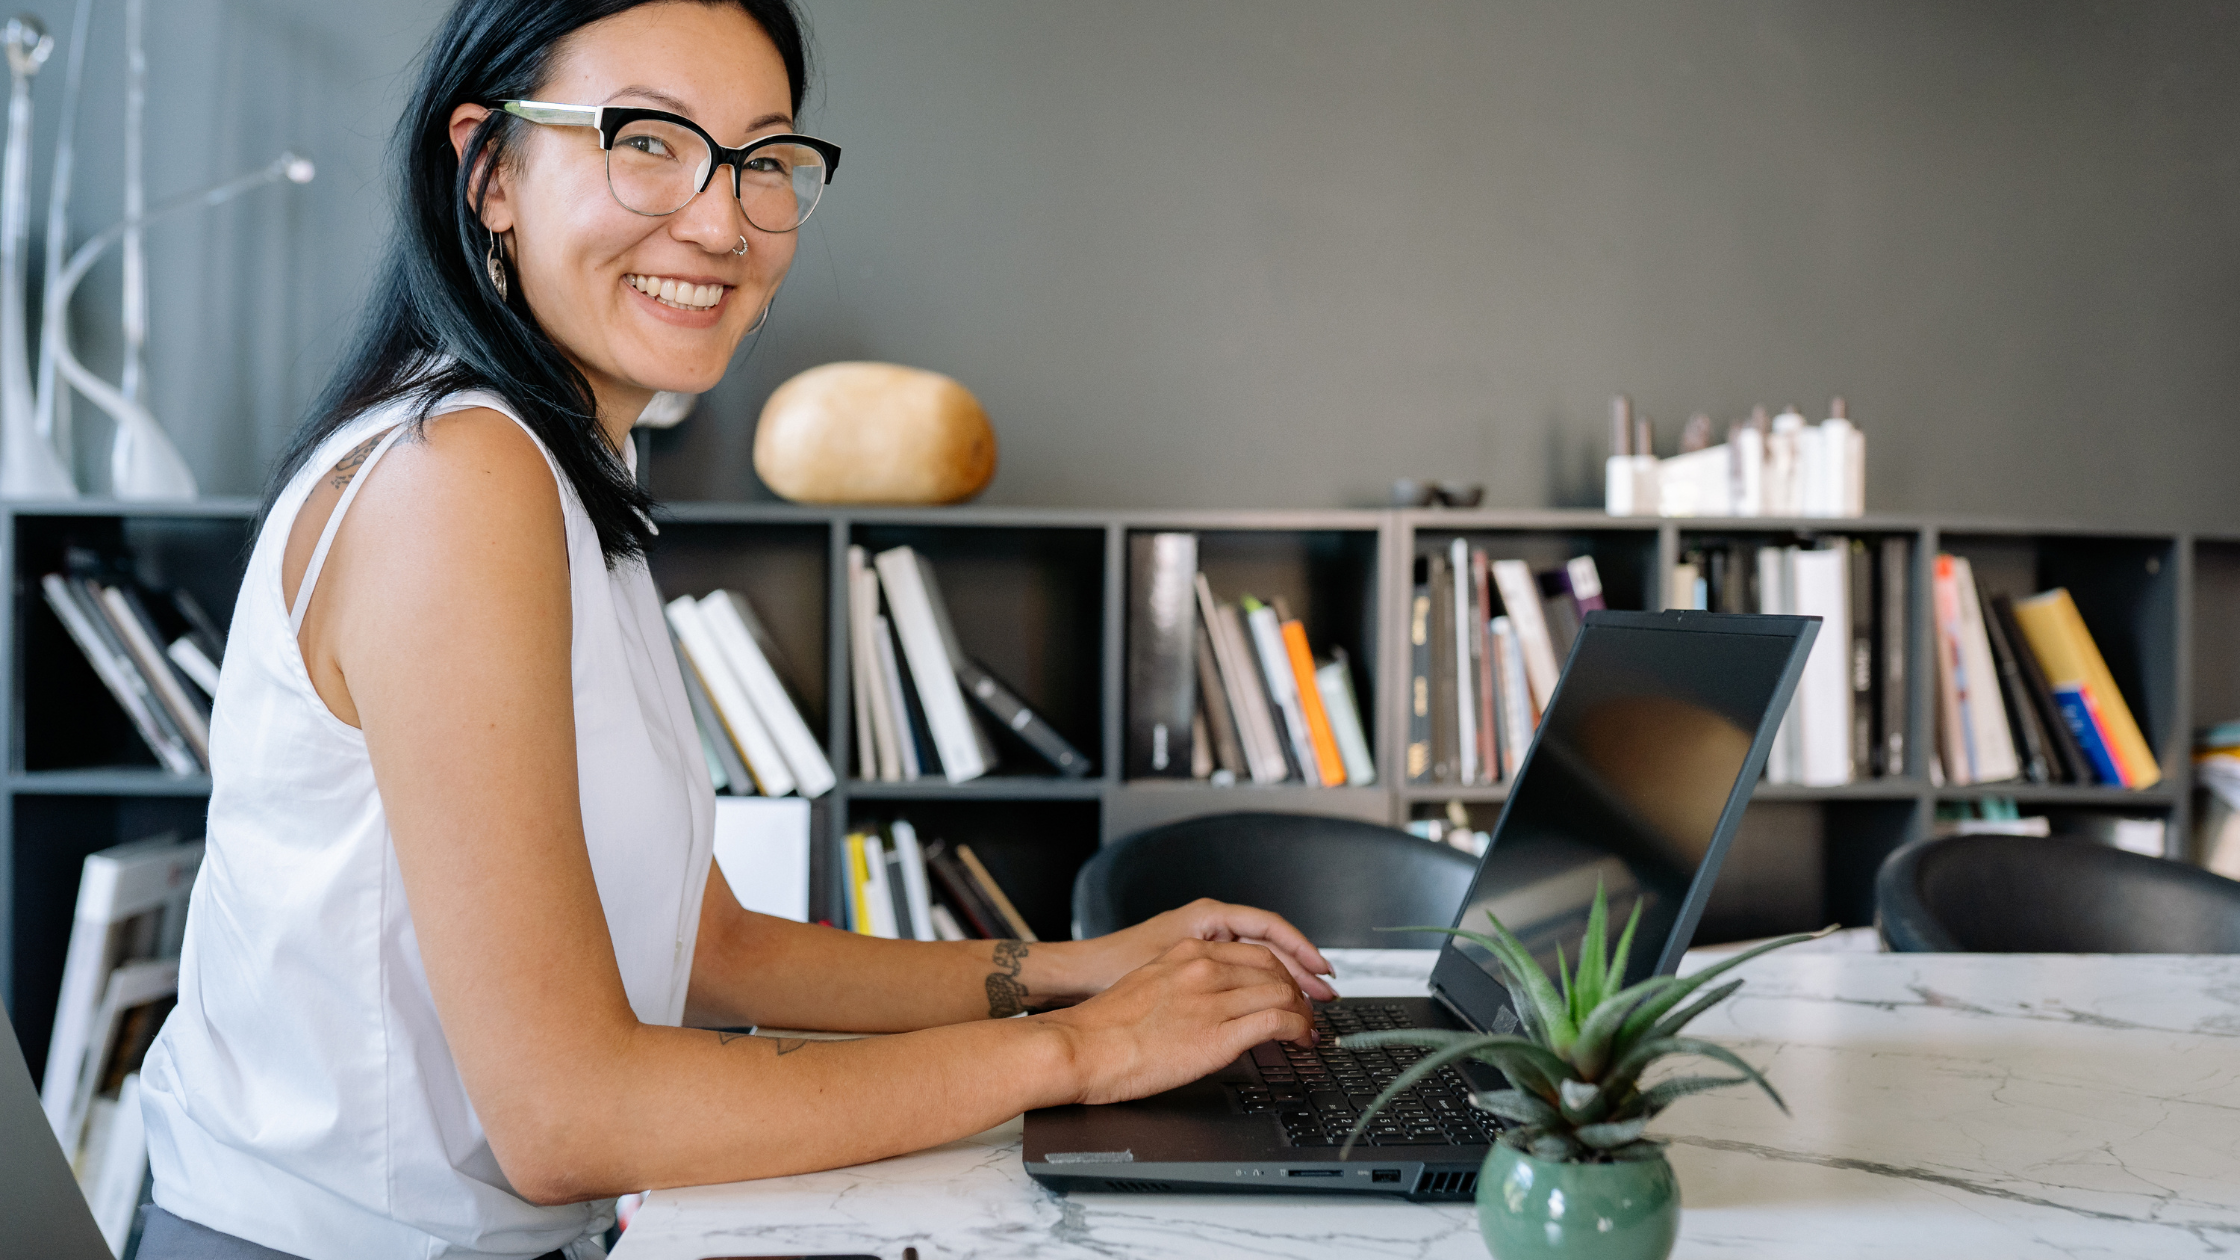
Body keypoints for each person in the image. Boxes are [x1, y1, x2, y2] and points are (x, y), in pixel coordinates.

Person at [133, 2, 1333, 1257]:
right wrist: (1083, 1051)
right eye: (647, 140)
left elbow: (712, 947)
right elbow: (568, 1115)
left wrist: (1076, 968)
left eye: (761, 159)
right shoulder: (456, 480)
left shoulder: (559, 474)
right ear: (491, 172)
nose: (721, 221)